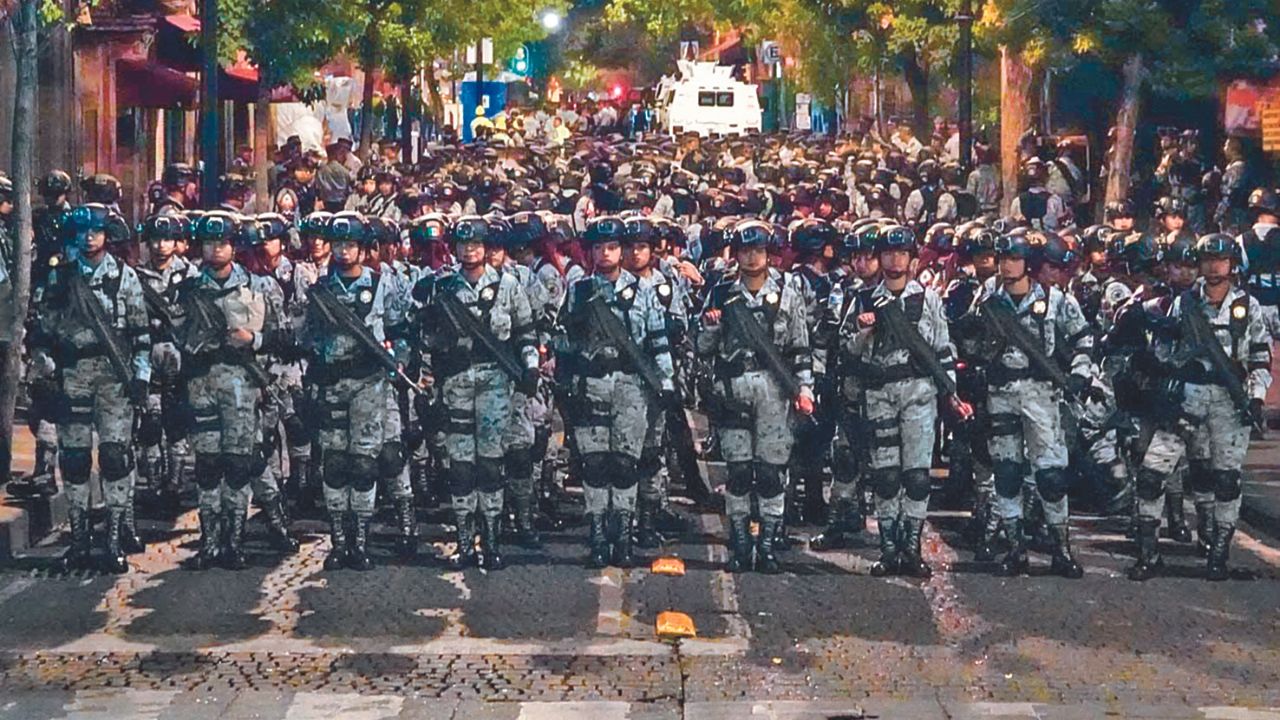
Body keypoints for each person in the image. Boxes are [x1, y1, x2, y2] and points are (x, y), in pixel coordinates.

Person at [1131, 233, 1271, 581]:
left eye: (1219, 260)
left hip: (1228, 403)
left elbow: (1259, 360)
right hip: (1185, 400)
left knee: (1225, 481)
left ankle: (1218, 555)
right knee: (1151, 476)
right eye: (1206, 260)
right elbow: (1163, 350)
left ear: (1232, 265)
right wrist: (1170, 365)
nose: (1212, 267)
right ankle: (1148, 553)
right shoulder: (1184, 304)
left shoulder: (1248, 307)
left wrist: (1255, 398)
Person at [839, 224, 968, 577]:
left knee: (917, 477)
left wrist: (951, 393)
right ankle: (889, 547)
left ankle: (911, 547)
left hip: (919, 394)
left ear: (912, 260)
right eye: (888, 254)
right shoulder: (864, 299)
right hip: (878, 394)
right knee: (885, 477)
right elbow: (846, 351)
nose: (895, 260)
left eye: (902, 254)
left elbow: (942, 349)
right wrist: (864, 332)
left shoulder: (928, 300)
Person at [412, 215, 538, 569]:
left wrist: (530, 368)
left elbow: (525, 333)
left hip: (495, 382)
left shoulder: (509, 286)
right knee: (461, 467)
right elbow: (429, 344)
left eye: (477, 244)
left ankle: (493, 540)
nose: (470, 250)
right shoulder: (444, 288)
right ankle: (465, 542)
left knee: (491, 465)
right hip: (456, 383)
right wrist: (428, 383)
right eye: (464, 244)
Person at [30, 204, 151, 573]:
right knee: (76, 460)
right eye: (83, 231)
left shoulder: (123, 276)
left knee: (115, 458)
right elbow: (41, 331)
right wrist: (43, 367)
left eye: (96, 231)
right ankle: (80, 539)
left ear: (107, 235)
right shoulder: (60, 278)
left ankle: (113, 539)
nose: (89, 237)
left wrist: (142, 378)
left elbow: (141, 333)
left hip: (114, 377)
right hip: (73, 374)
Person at [555, 216, 676, 568]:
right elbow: (561, 341)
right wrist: (570, 349)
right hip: (590, 385)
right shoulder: (578, 292)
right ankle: (596, 535)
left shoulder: (644, 292)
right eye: (598, 248)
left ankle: (622, 536)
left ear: (622, 251)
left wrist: (666, 383)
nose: (605, 254)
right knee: (594, 466)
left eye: (611, 248)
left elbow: (658, 341)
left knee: (624, 466)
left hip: (631, 388)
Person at [695, 219, 814, 573]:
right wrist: (712, 326)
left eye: (757, 251)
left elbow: (800, 347)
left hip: (775, 391)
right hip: (733, 388)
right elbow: (702, 346)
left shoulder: (789, 292)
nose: (751, 258)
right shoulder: (721, 291)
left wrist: (804, 389)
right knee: (739, 472)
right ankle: (739, 543)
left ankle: (768, 546)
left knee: (770, 474)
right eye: (745, 251)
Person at [176, 212, 293, 569]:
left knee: (240, 465)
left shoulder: (259, 286)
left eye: (223, 243)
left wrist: (253, 339)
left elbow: (285, 337)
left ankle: (235, 541)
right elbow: (174, 334)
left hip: (244, 387)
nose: (215, 249)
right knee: (209, 466)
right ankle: (210, 542)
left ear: (235, 246)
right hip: (202, 385)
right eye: (210, 243)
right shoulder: (189, 290)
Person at [975, 228, 1094, 578]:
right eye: (1003, 259)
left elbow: (1084, 339)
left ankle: (1061, 549)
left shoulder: (1056, 300)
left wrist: (1080, 375)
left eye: (1014, 259)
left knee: (1051, 476)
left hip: (1042, 393)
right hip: (1001, 393)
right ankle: (1015, 549)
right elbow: (969, 334)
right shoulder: (987, 295)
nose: (1007, 266)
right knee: (1007, 474)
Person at [297, 212, 408, 571]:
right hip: (331, 384)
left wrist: (400, 358)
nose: (344, 251)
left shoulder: (382, 284)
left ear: (364, 249)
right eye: (339, 245)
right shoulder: (321, 290)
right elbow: (307, 335)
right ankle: (338, 542)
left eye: (351, 245)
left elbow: (400, 327)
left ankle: (360, 542)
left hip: (369, 384)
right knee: (335, 465)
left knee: (363, 464)